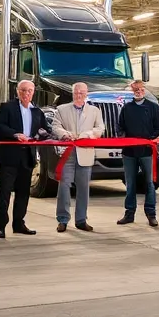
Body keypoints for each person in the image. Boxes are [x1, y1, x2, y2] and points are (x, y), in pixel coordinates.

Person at [0, 80, 47, 238]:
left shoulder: (37, 111)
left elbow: (44, 130)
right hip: (9, 156)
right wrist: (15, 134)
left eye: (30, 91)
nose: (26, 93)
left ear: (33, 92)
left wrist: (42, 135)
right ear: (17, 91)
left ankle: (19, 223)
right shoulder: (7, 107)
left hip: (27, 156)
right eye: (23, 90)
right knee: (5, 192)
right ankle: (1, 225)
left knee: (23, 192)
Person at [50, 82, 105, 232]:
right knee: (64, 186)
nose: (79, 95)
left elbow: (100, 128)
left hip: (85, 152)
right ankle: (62, 219)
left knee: (83, 188)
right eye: (76, 93)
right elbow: (55, 126)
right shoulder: (61, 109)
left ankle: (81, 220)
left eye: (82, 93)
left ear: (86, 94)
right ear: (72, 93)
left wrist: (87, 135)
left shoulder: (94, 111)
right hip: (67, 153)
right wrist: (65, 134)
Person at [116, 79, 159, 226]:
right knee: (130, 184)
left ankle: (151, 214)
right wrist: (123, 137)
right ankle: (129, 213)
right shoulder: (126, 108)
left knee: (149, 183)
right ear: (132, 90)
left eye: (141, 89)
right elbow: (120, 127)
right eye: (135, 89)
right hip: (129, 152)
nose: (138, 91)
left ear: (144, 90)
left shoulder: (154, 107)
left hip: (147, 151)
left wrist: (150, 139)